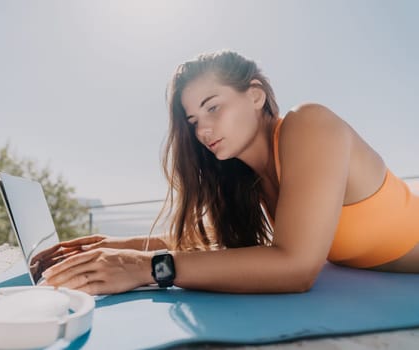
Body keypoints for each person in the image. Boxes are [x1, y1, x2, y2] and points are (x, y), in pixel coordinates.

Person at [40, 51, 419, 295]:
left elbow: (297, 266)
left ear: (255, 95)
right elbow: (209, 236)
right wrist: (115, 247)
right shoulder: (248, 176)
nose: (202, 130)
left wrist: (148, 268)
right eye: (193, 120)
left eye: (213, 107)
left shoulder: (309, 125)